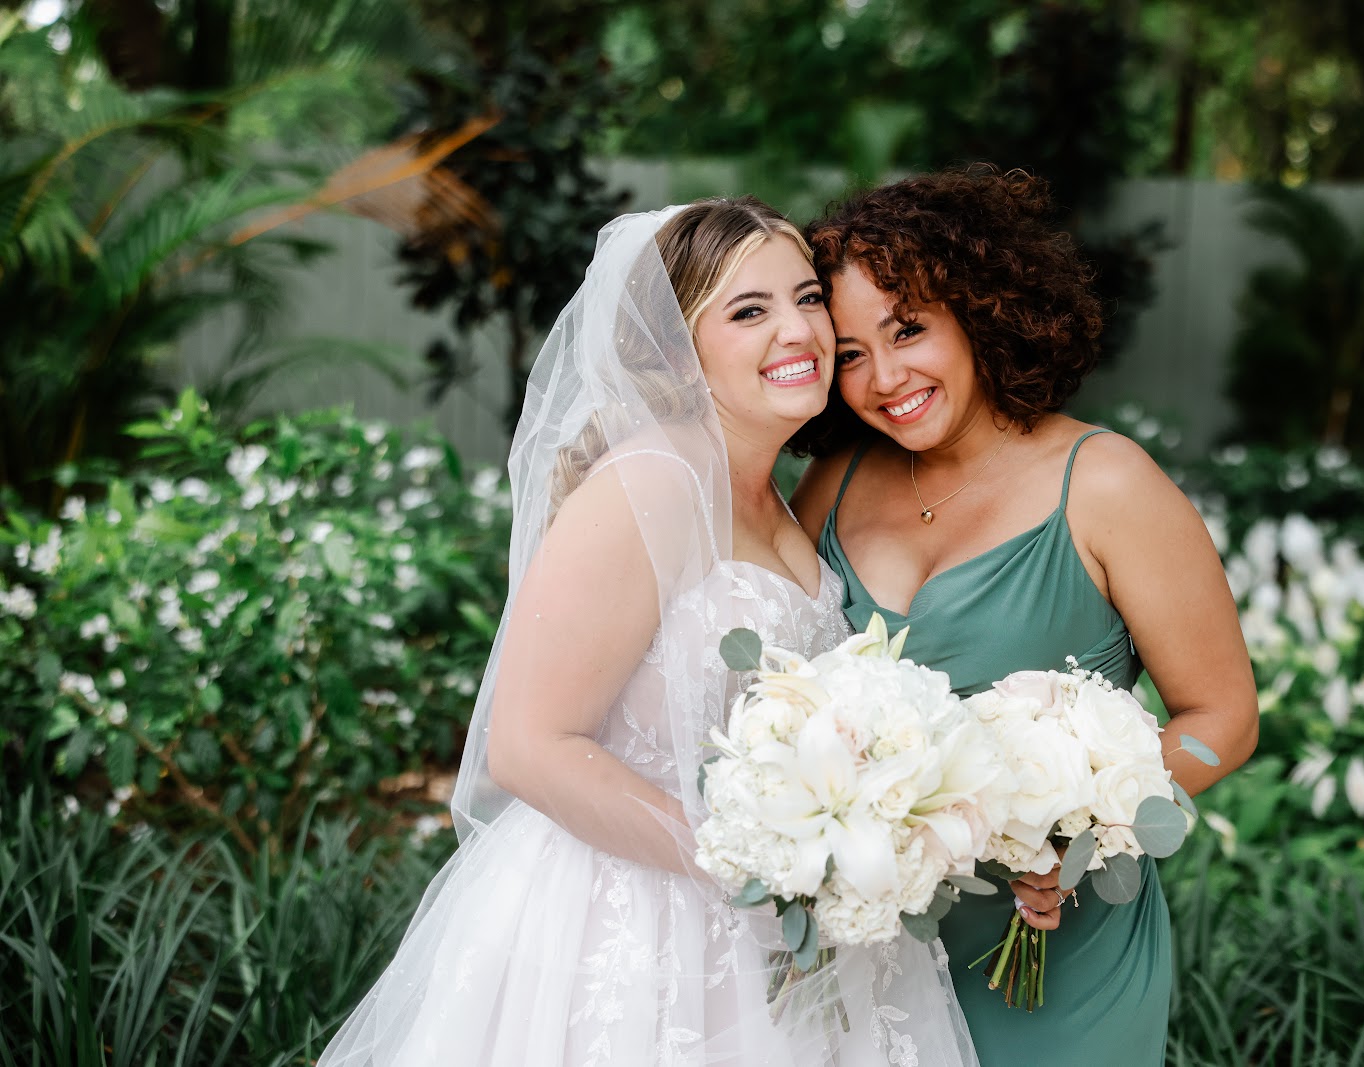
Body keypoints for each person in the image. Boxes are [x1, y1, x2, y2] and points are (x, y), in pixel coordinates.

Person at [319, 198, 980, 1067]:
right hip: (637, 925)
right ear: (678, 348)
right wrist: (752, 861)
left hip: (778, 924)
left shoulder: (779, 496)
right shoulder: (654, 483)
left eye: (808, 298)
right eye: (749, 311)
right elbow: (527, 746)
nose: (798, 330)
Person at [790, 167, 1259, 1063]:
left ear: (980, 311)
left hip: (1055, 950)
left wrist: (1077, 835)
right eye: (849, 354)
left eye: (909, 329)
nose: (885, 377)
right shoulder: (833, 482)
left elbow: (1224, 719)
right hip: (874, 949)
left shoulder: (1108, 483)